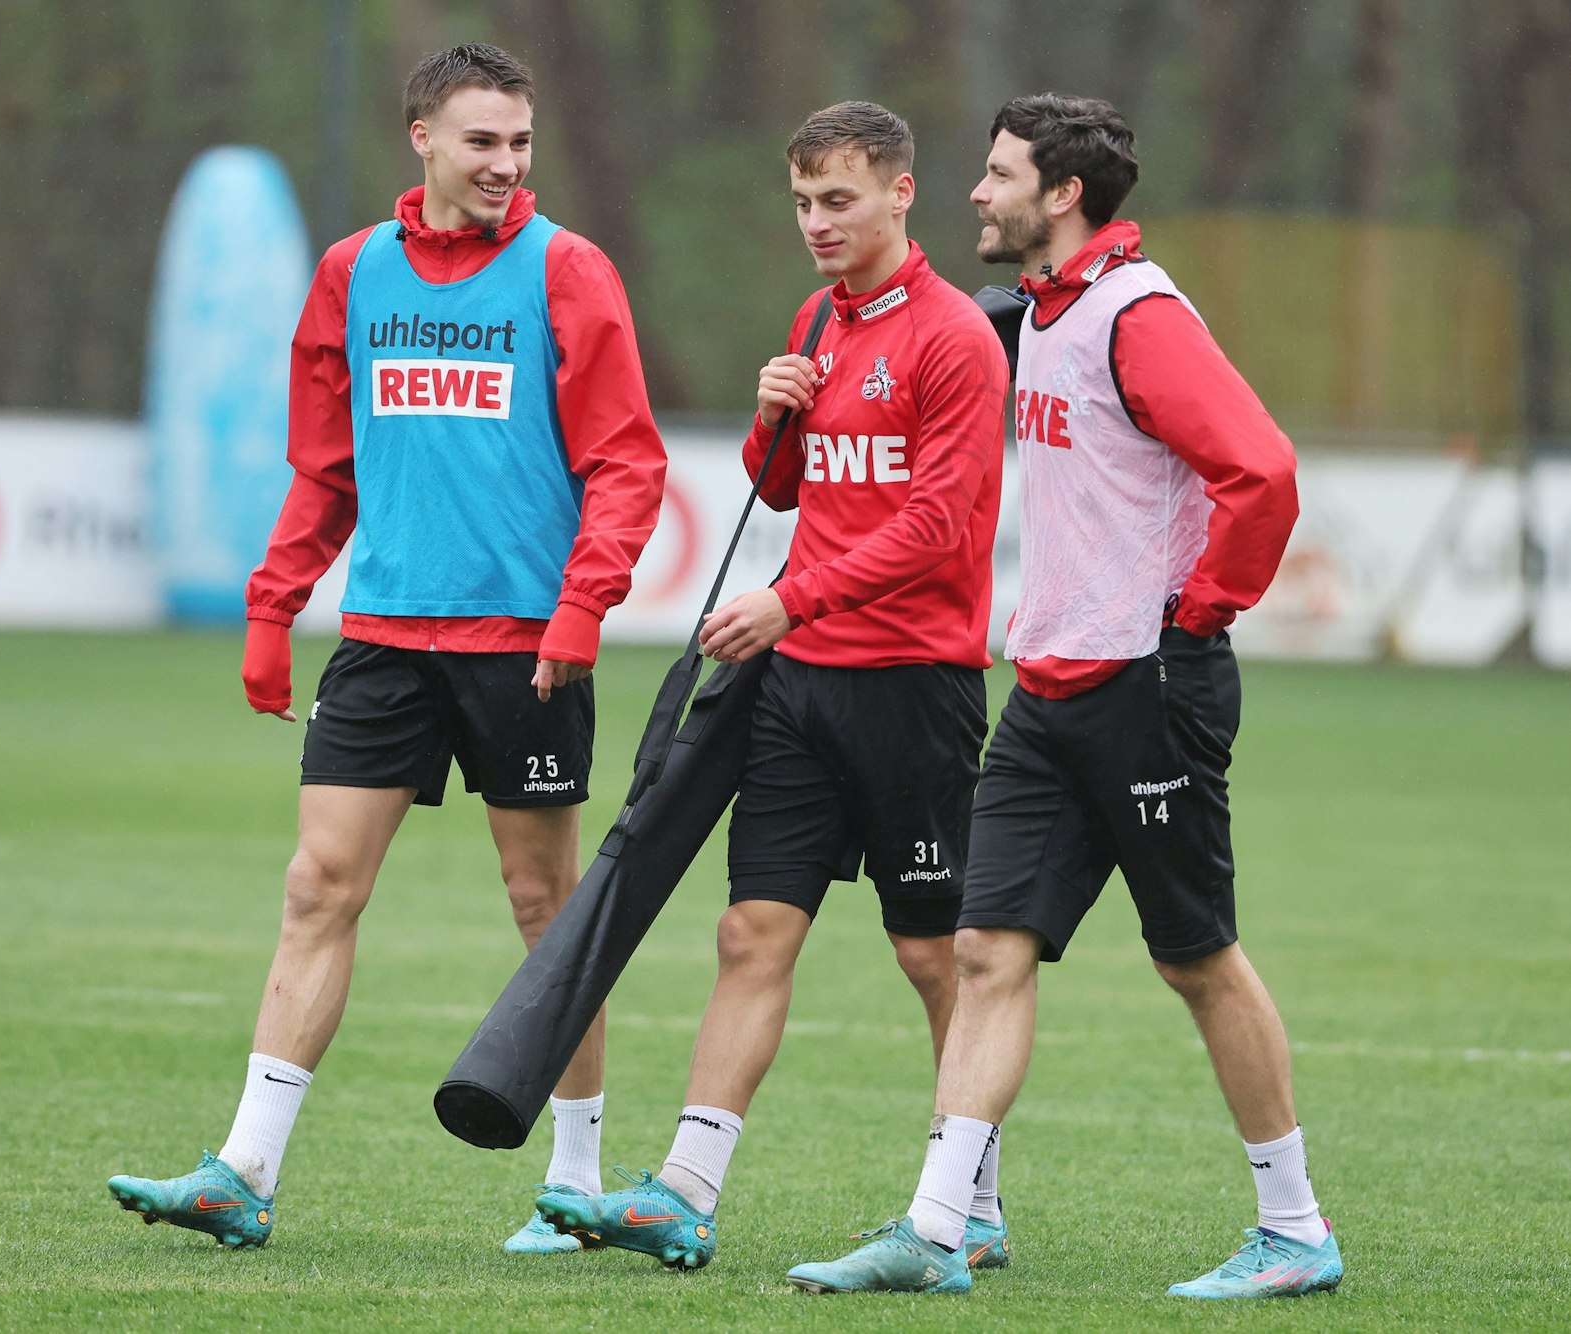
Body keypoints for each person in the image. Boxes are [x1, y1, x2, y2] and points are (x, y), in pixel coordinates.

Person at [106, 42, 667, 1254]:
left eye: (519, 142)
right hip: (382, 641)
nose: (506, 164)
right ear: (421, 136)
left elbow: (627, 461)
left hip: (525, 649)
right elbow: (325, 465)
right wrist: (274, 604)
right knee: (317, 885)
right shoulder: (351, 272)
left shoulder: (568, 271)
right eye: (482, 141)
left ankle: (574, 1187)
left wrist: (582, 607)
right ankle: (243, 1169)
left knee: (541, 905)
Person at [784, 93, 1340, 1299]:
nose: (976, 194)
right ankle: (938, 1229)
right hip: (1044, 688)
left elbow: (1262, 472)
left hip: (1146, 685)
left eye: (995, 174)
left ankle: (1295, 1231)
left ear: (1061, 196)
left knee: (1195, 957)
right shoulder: (1042, 312)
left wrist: (1195, 619)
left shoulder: (1137, 318)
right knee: (986, 947)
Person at [534, 101, 1009, 1272]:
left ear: (900, 193)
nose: (815, 223)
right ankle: (683, 1190)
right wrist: (770, 420)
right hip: (800, 686)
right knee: (750, 931)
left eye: (837, 200)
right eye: (801, 202)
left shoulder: (955, 336)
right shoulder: (818, 319)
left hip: (914, 687)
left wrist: (790, 599)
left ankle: (969, 1202)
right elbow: (787, 488)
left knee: (929, 956)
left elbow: (940, 523)